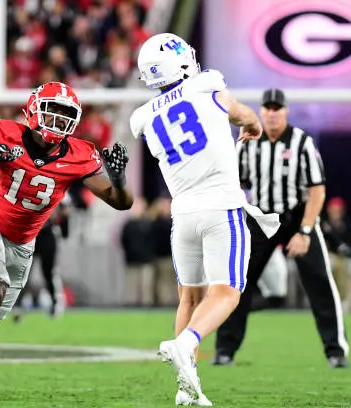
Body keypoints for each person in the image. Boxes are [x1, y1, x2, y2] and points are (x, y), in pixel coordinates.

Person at [0, 81, 134, 399]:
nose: (60, 121)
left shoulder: (80, 153)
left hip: (24, 241)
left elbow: (121, 202)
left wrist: (118, 179)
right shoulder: (6, 132)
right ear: (34, 111)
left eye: (67, 115)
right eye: (54, 112)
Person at [130, 33, 278, 406]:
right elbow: (242, 114)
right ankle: (186, 344)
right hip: (220, 208)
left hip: (183, 214)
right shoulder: (206, 83)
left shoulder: (143, 117)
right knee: (227, 292)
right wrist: (254, 125)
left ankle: (186, 388)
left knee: (189, 298)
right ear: (180, 63)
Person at [213, 88, 350, 369]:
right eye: (268, 109)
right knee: (237, 283)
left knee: (320, 283)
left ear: (285, 112)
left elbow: (316, 191)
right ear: (261, 112)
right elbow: (236, 184)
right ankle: (224, 350)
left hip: (295, 217)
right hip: (261, 218)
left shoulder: (301, 142)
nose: (272, 114)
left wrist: (306, 231)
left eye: (277, 109)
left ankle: (336, 351)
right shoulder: (249, 142)